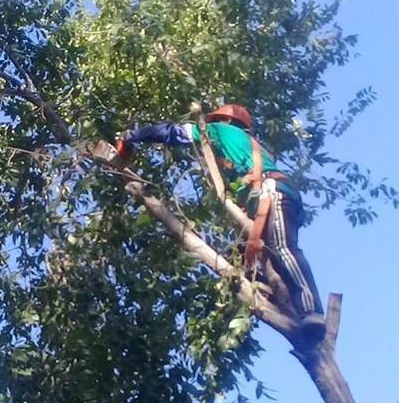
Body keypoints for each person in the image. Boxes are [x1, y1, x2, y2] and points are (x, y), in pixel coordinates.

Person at [115, 103, 325, 342]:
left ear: (223, 121)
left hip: (273, 192)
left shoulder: (219, 131)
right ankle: (291, 308)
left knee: (283, 249)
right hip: (279, 196)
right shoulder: (250, 147)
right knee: (248, 255)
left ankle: (312, 312)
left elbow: (172, 132)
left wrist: (132, 136)